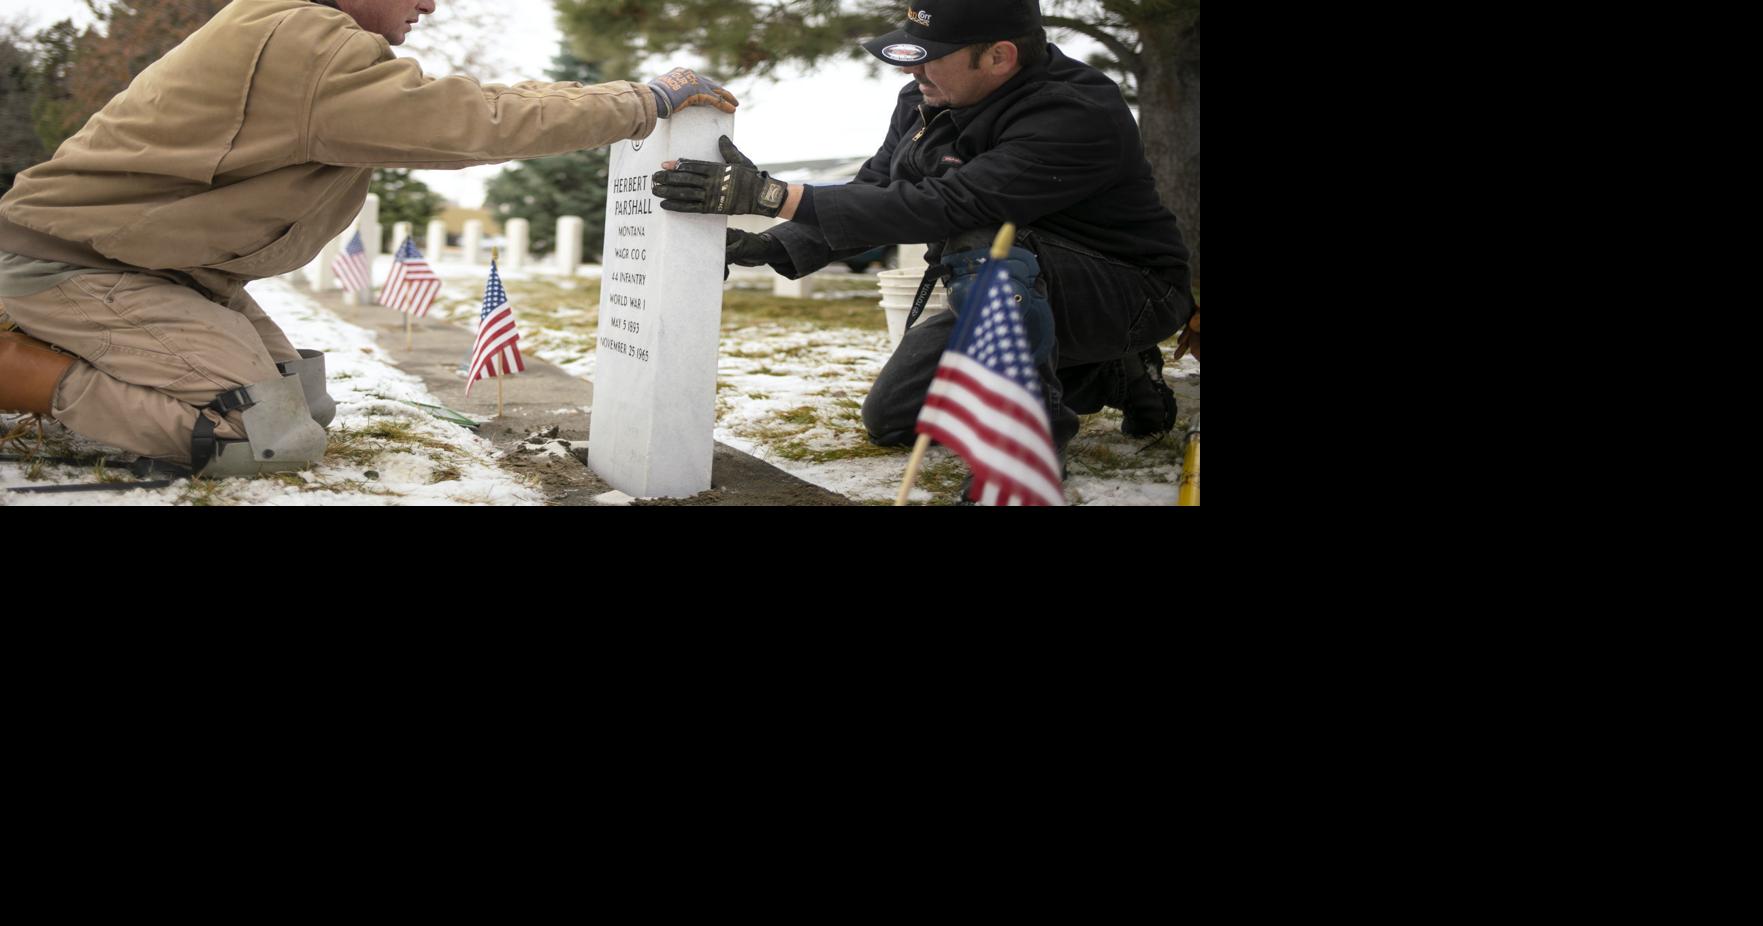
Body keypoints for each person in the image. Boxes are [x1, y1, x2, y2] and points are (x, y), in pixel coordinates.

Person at [0, 0, 736, 476]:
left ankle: (78, 355)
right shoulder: (301, 40)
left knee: (304, 404)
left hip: (158, 271)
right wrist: (641, 103)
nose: (429, 4)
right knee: (255, 437)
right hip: (71, 265)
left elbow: (475, 103)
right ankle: (18, 366)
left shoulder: (299, 34)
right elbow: (479, 123)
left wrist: (629, 99)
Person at [650, 0, 1197, 460]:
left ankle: (1023, 447)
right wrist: (772, 243)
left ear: (999, 56)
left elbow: (952, 203)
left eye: (931, 57)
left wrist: (773, 197)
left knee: (980, 235)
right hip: (1013, 284)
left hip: (1128, 290)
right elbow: (881, 185)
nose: (912, 71)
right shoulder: (926, 98)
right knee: (893, 419)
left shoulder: (1074, 109)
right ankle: (1113, 375)